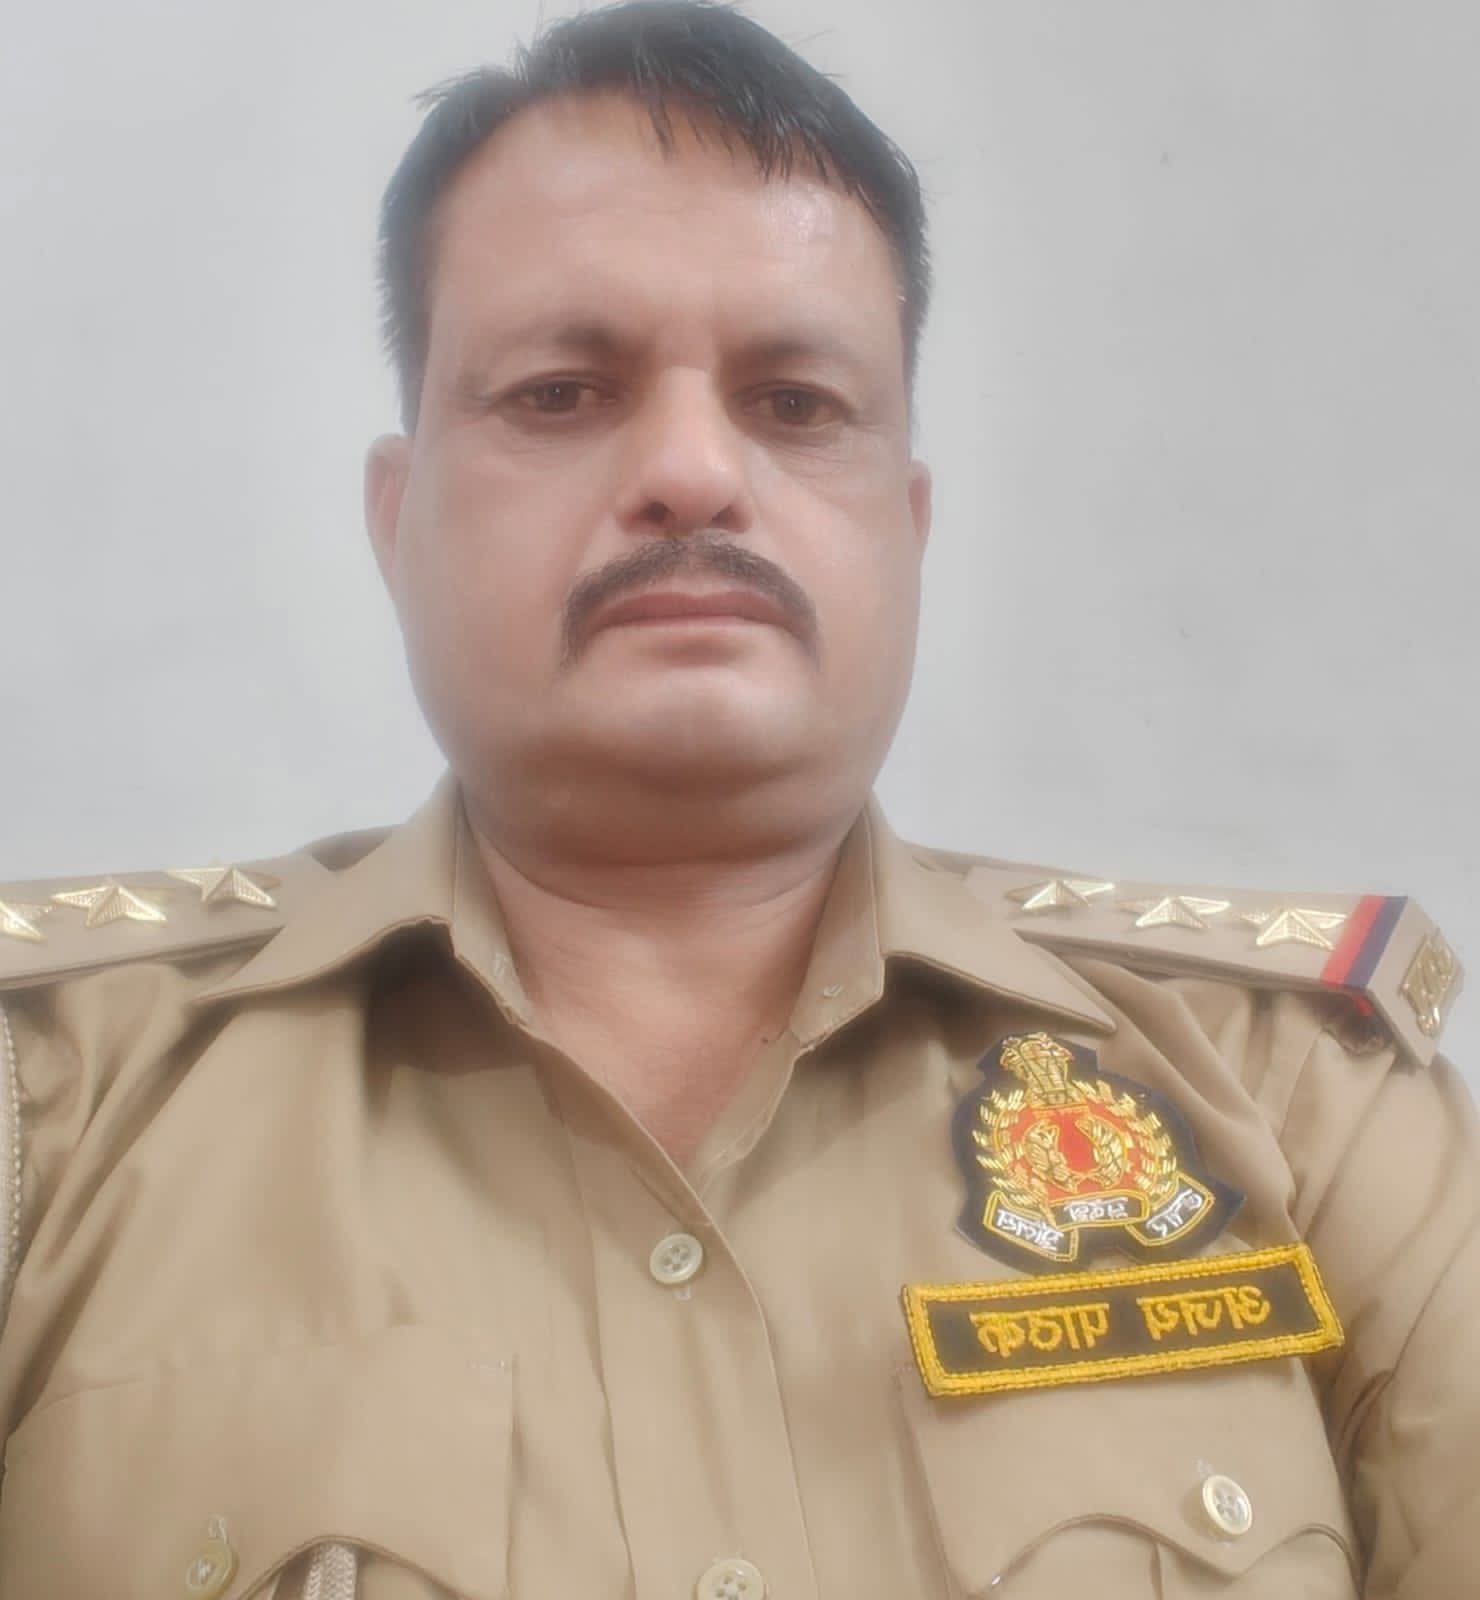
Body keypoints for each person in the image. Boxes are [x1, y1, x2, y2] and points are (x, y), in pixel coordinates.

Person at [0, 3, 1472, 1595]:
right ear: (396, 516)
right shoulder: (52, 1115)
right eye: (561, 391)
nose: (694, 470)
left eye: (796, 403)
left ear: (906, 526)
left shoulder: (1295, 1104)